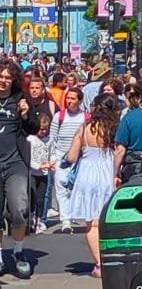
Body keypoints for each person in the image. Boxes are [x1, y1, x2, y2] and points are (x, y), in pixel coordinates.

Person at [65, 94, 119, 279]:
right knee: (109, 220)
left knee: (91, 223)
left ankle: (99, 263)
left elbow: (71, 157)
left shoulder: (85, 128)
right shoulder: (114, 129)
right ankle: (112, 260)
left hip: (87, 175)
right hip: (107, 174)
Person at [51, 86, 88, 234]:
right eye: (68, 98)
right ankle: (65, 220)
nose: (69, 101)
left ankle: (76, 215)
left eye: (73, 98)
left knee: (77, 189)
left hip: (79, 159)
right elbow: (52, 137)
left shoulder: (85, 117)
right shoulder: (59, 116)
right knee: (61, 189)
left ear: (79, 101)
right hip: (61, 156)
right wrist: (53, 158)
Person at [27, 114, 52, 233]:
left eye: (45, 129)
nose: (43, 132)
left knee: (41, 199)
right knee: (31, 198)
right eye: (40, 129)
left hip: (43, 174)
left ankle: (39, 221)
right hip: (32, 173)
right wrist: (39, 165)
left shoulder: (49, 140)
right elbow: (28, 158)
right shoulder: (30, 139)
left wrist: (52, 162)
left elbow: (53, 154)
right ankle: (30, 219)